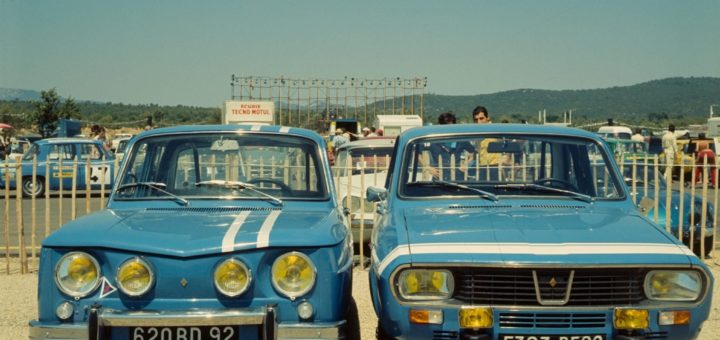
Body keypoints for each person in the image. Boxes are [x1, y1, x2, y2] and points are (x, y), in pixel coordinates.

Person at [423, 112, 475, 180]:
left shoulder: (460, 140)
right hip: (438, 180)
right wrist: (427, 167)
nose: (448, 129)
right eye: (445, 126)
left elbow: (473, 153)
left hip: (458, 179)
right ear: (440, 126)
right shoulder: (433, 140)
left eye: (450, 127)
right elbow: (417, 153)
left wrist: (466, 164)